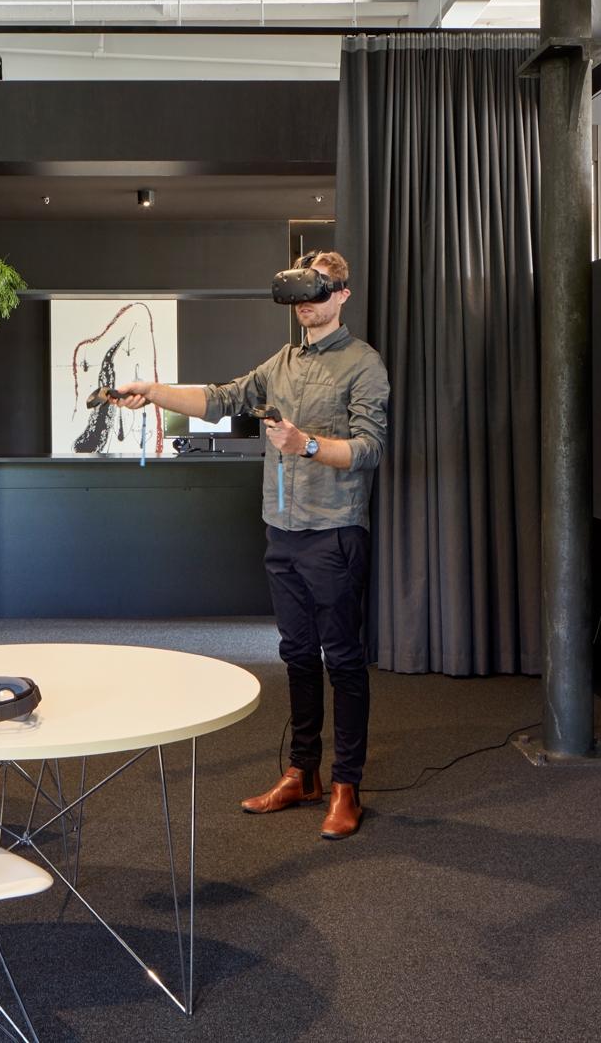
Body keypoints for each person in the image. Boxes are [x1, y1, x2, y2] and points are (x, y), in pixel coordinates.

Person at [111, 251, 389, 839]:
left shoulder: (363, 363)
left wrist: (305, 444)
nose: (307, 302)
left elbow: (370, 450)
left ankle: (346, 786)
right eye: (300, 292)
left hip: (334, 531)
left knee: (342, 659)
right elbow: (220, 398)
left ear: (342, 294)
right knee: (297, 654)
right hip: (281, 531)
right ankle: (303, 773)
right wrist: (153, 392)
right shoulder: (279, 363)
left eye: (318, 290)